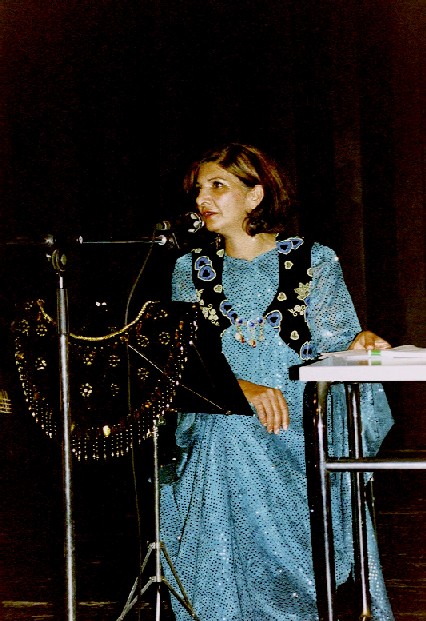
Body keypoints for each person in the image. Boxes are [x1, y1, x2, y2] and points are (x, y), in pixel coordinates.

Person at [159, 143, 394, 620]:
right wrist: (240, 390)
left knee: (250, 431)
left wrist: (361, 341)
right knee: (226, 431)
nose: (202, 199)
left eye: (218, 186)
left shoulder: (314, 260)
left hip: (299, 417)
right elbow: (184, 363)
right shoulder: (189, 270)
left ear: (255, 194)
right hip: (222, 416)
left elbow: (337, 346)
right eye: (199, 189)